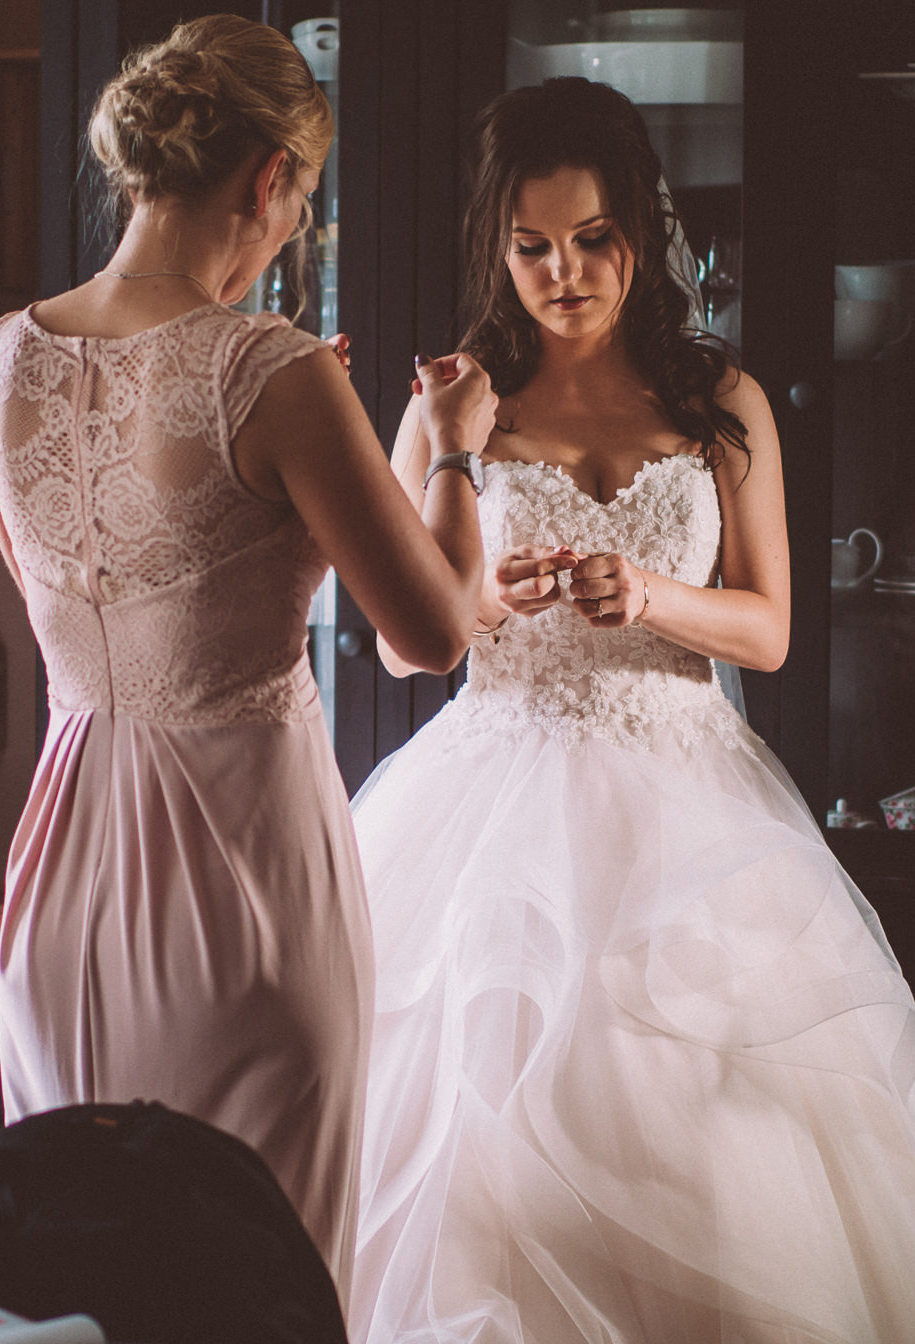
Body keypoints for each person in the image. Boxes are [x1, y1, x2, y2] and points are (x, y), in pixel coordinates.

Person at [349, 77, 915, 1343]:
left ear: (641, 233)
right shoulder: (453, 403)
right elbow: (401, 651)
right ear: (497, 247)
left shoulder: (722, 403)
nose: (562, 273)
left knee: (705, 1129)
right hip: (490, 803)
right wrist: (486, 595)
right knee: (474, 1126)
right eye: (531, 245)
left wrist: (648, 592)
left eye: (592, 238)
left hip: (692, 805)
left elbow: (766, 629)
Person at [0, 14, 495, 1302]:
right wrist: (445, 443)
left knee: (75, 1273)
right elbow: (428, 632)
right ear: (269, 180)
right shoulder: (265, 366)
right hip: (237, 881)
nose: (286, 238)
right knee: (257, 1280)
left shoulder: (4, 356)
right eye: (296, 208)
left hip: (61, 874)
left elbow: (82, 592)